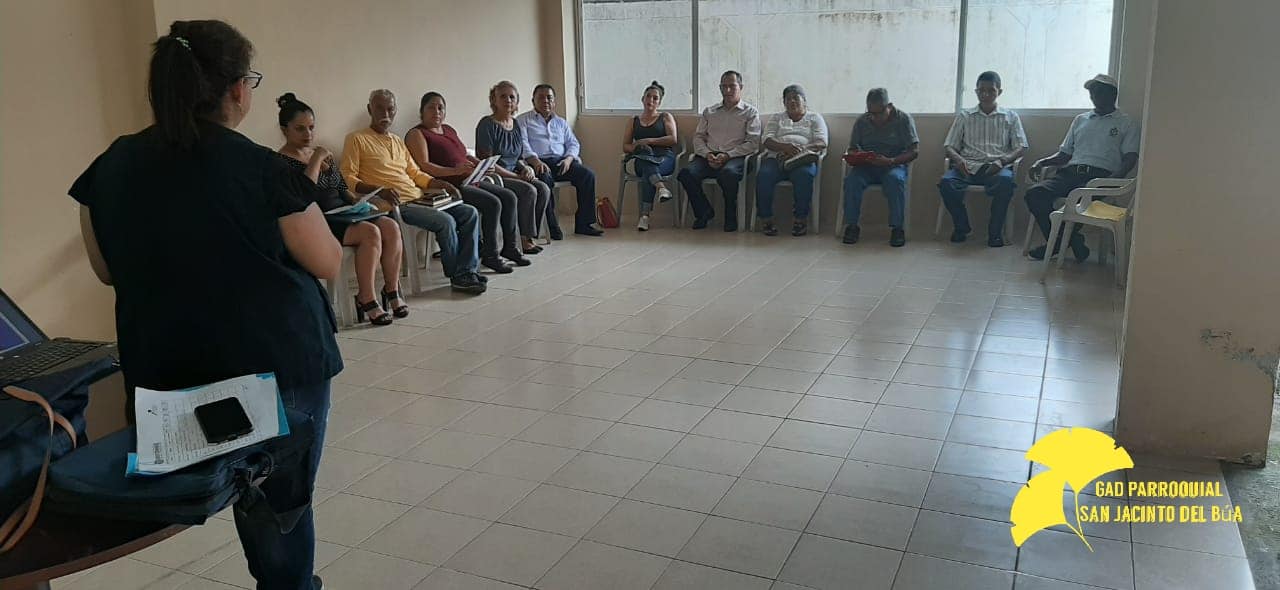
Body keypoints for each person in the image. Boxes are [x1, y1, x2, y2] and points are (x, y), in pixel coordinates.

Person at [70, 20, 342, 589]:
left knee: (217, 490)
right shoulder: (263, 168)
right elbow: (327, 260)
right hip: (273, 367)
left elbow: (105, 269)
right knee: (276, 506)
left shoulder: (111, 167)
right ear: (238, 90)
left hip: (170, 370)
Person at [276, 93, 407, 324]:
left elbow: (343, 190)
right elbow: (303, 193)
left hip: (343, 214)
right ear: (285, 130)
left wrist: (360, 202)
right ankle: (366, 297)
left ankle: (391, 289)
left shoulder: (320, 154)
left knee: (390, 226)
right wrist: (316, 160)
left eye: (311, 128)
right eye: (300, 129)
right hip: (317, 221)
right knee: (370, 233)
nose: (308, 134)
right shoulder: (281, 161)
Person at [341, 89, 486, 293]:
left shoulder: (397, 141)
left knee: (469, 212)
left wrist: (439, 183)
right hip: (394, 205)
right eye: (379, 108)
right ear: (369, 109)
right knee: (446, 222)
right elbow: (348, 177)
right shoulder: (356, 139)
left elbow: (415, 173)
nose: (385, 114)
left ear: (395, 111)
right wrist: (379, 190)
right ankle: (458, 276)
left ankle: (467, 270)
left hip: (419, 199)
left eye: (390, 109)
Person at [406, 91, 531, 273]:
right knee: (493, 203)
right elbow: (424, 166)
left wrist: (482, 165)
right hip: (448, 186)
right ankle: (490, 255)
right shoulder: (417, 133)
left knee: (509, 196)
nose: (437, 112)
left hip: (469, 179)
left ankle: (510, 248)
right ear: (422, 111)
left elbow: (464, 155)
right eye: (431, 108)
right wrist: (454, 171)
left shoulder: (448, 130)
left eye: (441, 108)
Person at [1024, 74, 1139, 261]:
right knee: (1034, 193)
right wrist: (1041, 162)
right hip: (1070, 173)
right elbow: (1064, 154)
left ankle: (1056, 244)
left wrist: (1112, 179)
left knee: (1075, 204)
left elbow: (1130, 158)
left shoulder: (1126, 122)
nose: (1094, 96)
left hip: (1100, 177)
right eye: (1092, 92)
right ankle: (1071, 241)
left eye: (1099, 91)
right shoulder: (1081, 120)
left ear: (1113, 94)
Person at [938, 71, 1029, 247]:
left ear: (999, 92)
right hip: (967, 166)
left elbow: (1022, 146)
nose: (985, 95)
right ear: (976, 91)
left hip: (996, 167)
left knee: (1006, 183)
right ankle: (962, 227)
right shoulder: (965, 116)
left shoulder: (1010, 117)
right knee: (946, 183)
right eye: (981, 90)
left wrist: (1002, 161)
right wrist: (958, 160)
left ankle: (995, 234)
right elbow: (949, 146)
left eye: (991, 90)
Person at [677, 70, 762, 231]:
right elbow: (698, 137)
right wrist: (707, 154)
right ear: (720, 88)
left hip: (736, 157)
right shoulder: (710, 111)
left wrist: (728, 155)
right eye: (724, 86)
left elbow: (753, 143)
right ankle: (703, 212)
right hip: (709, 156)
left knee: (728, 174)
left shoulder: (750, 112)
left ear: (741, 87)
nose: (727, 90)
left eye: (732, 86)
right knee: (686, 174)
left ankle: (730, 215)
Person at [518, 84, 604, 237]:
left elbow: (573, 143)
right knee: (545, 179)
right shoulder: (523, 120)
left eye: (549, 98)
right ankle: (552, 226)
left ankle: (584, 224)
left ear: (554, 101)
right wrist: (536, 162)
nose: (545, 101)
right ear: (533, 101)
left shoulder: (561, 122)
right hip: (537, 162)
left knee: (587, 175)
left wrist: (569, 159)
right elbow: (523, 144)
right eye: (541, 97)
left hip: (562, 162)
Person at [476, 81, 549, 254]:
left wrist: (525, 168)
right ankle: (523, 239)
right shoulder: (486, 124)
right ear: (494, 100)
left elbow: (517, 157)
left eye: (512, 97)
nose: (508, 100)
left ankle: (529, 234)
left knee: (543, 189)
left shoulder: (515, 125)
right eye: (503, 96)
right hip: (494, 177)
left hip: (514, 173)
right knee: (528, 190)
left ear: (517, 101)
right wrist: (517, 177)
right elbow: (488, 162)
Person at [841, 88, 919, 247]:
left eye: (879, 113)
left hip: (893, 164)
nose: (875, 118)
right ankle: (852, 226)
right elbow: (852, 148)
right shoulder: (862, 121)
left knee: (895, 180)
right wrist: (858, 156)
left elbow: (914, 151)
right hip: (867, 166)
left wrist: (891, 161)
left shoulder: (903, 119)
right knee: (851, 181)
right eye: (871, 113)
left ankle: (897, 228)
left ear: (889, 106)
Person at [755, 84, 828, 237]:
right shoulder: (777, 118)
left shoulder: (814, 118)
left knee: (805, 175)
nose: (792, 101)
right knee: (764, 175)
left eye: (796, 98)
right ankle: (766, 219)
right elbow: (766, 140)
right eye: (788, 99)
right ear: (784, 102)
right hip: (777, 157)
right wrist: (785, 147)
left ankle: (800, 219)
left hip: (802, 159)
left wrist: (799, 150)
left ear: (804, 101)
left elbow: (821, 142)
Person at [623, 81, 679, 232]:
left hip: (664, 158)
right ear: (642, 99)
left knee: (649, 172)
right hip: (641, 159)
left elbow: (673, 139)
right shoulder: (633, 120)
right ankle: (661, 187)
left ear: (659, 102)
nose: (651, 100)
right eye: (648, 96)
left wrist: (649, 140)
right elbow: (626, 146)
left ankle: (644, 217)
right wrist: (638, 145)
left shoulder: (665, 117)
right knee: (645, 156)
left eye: (655, 98)